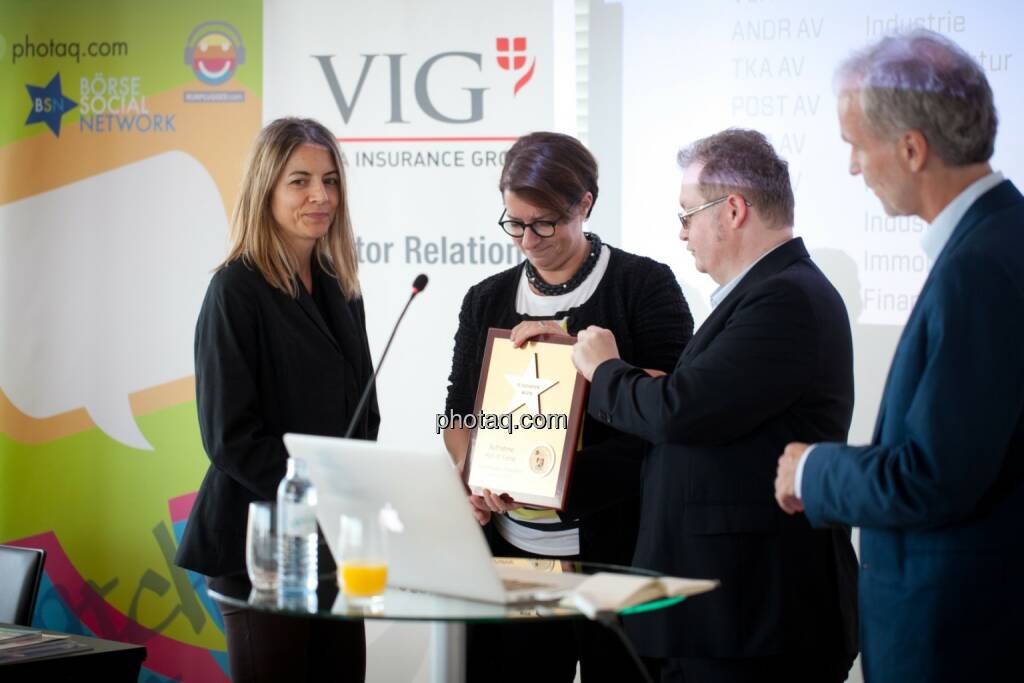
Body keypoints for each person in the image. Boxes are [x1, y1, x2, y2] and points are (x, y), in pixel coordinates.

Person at [774, 29, 1024, 683]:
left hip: (957, 637)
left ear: (912, 149)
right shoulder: (996, 240)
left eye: (857, 145)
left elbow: (932, 476)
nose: (854, 167)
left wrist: (812, 471)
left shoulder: (981, 267)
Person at [572, 128, 859, 683]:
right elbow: (716, 405)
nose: (681, 234)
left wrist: (606, 370)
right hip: (727, 615)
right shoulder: (769, 293)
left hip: (750, 617)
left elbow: (684, 411)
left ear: (732, 210)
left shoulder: (785, 298)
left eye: (687, 214)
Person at [443, 131, 693, 681]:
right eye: (515, 223)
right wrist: (472, 475)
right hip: (511, 553)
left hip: (617, 550)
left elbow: (673, 403)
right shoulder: (486, 298)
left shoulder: (644, 285)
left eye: (544, 223)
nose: (528, 239)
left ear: (585, 204)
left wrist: (575, 355)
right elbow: (458, 413)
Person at [175, 117, 378, 682]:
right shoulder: (235, 289)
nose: (321, 196)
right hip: (259, 548)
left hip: (333, 552)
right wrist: (318, 498)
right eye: (300, 180)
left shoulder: (341, 286)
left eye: (331, 180)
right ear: (266, 188)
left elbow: (364, 413)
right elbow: (230, 438)